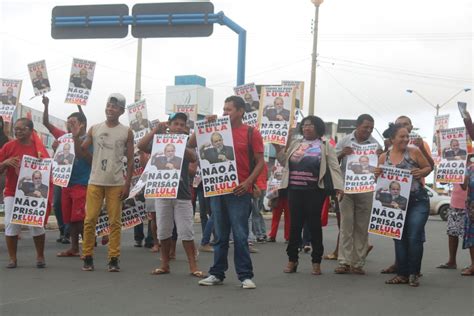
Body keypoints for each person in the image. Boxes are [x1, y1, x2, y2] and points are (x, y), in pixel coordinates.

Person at [188, 95, 265, 289]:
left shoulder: (251, 133)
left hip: (240, 191)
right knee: (220, 235)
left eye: (229, 109)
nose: (224, 113)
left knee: (240, 234)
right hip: (218, 190)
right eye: (224, 109)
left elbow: (260, 162)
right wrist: (204, 125)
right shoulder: (214, 130)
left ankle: (245, 275)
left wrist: (248, 183)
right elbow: (190, 144)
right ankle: (217, 273)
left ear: (240, 111)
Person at [275, 115, 344, 275]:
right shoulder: (295, 144)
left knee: (314, 226)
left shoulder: (325, 146)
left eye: (311, 125)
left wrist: (339, 187)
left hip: (315, 191)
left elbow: (334, 167)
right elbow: (284, 162)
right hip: (294, 190)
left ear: (318, 128)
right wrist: (278, 148)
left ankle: (316, 261)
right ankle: (292, 260)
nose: (307, 128)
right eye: (305, 125)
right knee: (294, 226)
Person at [138, 112, 204, 277]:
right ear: (169, 125)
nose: (179, 127)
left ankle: (193, 266)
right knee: (163, 231)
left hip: (182, 195)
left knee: (186, 231)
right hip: (163, 193)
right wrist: (155, 131)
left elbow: (193, 157)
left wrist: (180, 143)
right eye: (176, 124)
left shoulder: (186, 143)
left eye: (182, 125)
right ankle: (165, 264)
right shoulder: (160, 142)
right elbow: (141, 146)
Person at [80, 93, 134, 272]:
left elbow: (131, 160)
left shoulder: (126, 131)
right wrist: (93, 161)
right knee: (90, 220)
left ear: (121, 111)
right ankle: (87, 256)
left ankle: (113, 258)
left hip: (116, 183)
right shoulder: (95, 128)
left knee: (115, 222)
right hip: (95, 181)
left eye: (114, 107)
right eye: (108, 105)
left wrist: (127, 184)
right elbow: (83, 149)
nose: (110, 109)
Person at [376, 123, 432, 287]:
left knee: (414, 237)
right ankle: (402, 274)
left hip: (417, 201)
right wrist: (376, 174)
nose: (406, 139)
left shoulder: (413, 151)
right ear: (392, 139)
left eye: (407, 136)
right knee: (398, 238)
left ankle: (414, 273)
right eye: (402, 136)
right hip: (396, 204)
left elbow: (428, 167)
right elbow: (381, 183)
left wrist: (422, 172)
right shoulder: (383, 158)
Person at [42, 95, 91, 257]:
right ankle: (75, 246)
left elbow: (88, 159)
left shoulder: (90, 139)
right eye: (68, 123)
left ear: (81, 124)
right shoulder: (64, 138)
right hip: (65, 183)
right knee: (68, 215)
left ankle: (85, 246)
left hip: (81, 183)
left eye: (73, 123)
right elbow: (46, 124)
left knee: (79, 216)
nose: (69, 126)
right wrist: (46, 106)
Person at [0, 118, 51, 268]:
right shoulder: (9, 146)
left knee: (36, 224)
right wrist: (5, 163)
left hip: (32, 192)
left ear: (30, 130)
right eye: (16, 129)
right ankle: (12, 258)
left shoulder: (39, 149)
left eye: (21, 129)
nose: (18, 131)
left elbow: (47, 171)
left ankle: (40, 256)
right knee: (11, 223)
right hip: (12, 191)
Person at [335, 114, 382, 275]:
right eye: (365, 127)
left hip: (366, 189)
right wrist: (342, 153)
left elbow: (381, 165)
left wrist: (381, 157)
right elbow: (331, 161)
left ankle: (358, 263)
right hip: (346, 189)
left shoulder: (375, 144)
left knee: (362, 227)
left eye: (371, 128)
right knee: (346, 225)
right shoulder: (345, 141)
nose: (368, 130)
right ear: (357, 126)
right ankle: (344, 261)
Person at [436, 183, 468, 270]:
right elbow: (443, 182)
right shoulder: (456, 168)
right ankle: (452, 261)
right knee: (452, 233)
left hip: (470, 204)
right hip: (455, 204)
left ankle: (473, 264)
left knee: (471, 235)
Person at [461, 156, 474, 276]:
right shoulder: (470, 169)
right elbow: (464, 186)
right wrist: (458, 175)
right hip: (472, 208)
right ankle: (473, 265)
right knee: (472, 237)